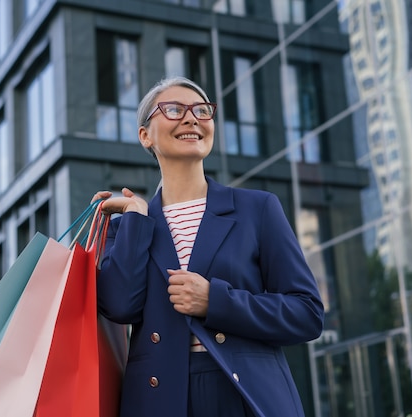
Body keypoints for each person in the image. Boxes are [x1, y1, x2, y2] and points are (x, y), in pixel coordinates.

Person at [91, 76, 324, 417]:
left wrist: (216, 301)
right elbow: (120, 306)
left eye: (202, 110)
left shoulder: (257, 209)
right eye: (173, 109)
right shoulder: (128, 225)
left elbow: (307, 313)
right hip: (159, 397)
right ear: (145, 136)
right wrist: (138, 218)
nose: (191, 118)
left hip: (245, 393)